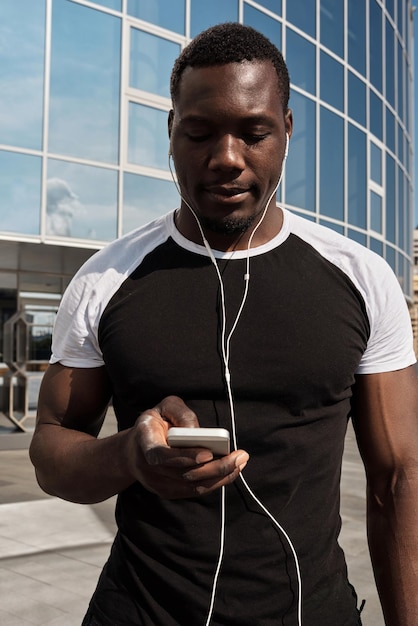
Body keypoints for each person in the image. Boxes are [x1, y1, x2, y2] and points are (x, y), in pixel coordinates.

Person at [29, 22, 418, 626]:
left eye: (254, 132)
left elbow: (397, 479)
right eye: (200, 132)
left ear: (286, 130)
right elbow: (51, 456)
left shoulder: (363, 279)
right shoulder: (104, 279)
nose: (226, 158)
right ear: (170, 133)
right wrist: (129, 456)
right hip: (139, 610)